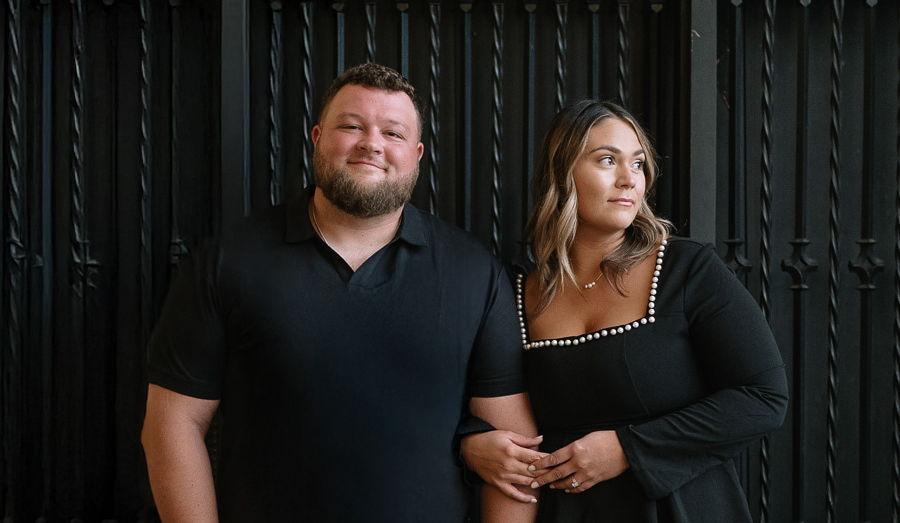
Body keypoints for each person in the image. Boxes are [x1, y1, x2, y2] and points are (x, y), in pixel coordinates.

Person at [141, 63, 538, 522]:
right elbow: (172, 425)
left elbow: (515, 452)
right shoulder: (229, 261)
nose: (371, 144)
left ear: (417, 155)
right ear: (316, 137)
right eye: (351, 126)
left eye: (393, 133)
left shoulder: (474, 272)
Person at [460, 100, 788, 521]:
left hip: (681, 510)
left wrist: (627, 449)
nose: (629, 178)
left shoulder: (686, 269)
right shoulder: (515, 291)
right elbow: (473, 400)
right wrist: (471, 445)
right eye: (607, 160)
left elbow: (763, 398)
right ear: (561, 173)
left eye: (637, 163)